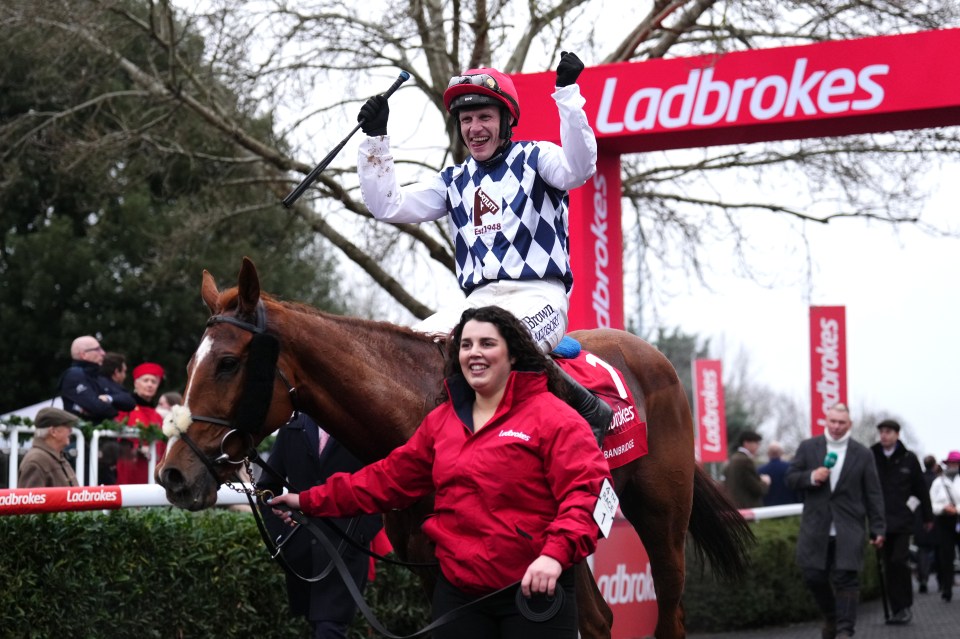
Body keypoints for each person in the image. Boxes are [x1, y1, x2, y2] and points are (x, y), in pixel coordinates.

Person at [271, 305, 612, 639]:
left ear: (514, 354)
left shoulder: (555, 418)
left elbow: (587, 492)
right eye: (466, 345)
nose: (474, 353)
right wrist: (308, 501)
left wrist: (554, 556)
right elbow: (387, 480)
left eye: (487, 344)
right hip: (459, 597)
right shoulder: (441, 422)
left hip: (535, 589)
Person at [354, 53, 612, 446]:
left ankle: (588, 407)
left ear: (507, 120)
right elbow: (387, 206)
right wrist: (375, 140)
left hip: (539, 295)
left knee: (500, 343)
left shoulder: (537, 157)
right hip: (477, 302)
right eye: (466, 119)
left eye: (485, 117)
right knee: (408, 353)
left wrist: (567, 94)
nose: (474, 128)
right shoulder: (454, 180)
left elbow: (580, 168)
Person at [258, 413, 383, 638]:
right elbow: (266, 488)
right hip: (301, 553)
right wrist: (282, 537)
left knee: (330, 628)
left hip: (345, 552)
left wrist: (360, 537)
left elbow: (381, 485)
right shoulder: (291, 428)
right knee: (319, 627)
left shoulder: (361, 427)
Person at [785, 403, 885, 639]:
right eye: (833, 421)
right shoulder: (809, 447)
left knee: (846, 579)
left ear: (849, 424)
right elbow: (790, 478)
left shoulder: (862, 453)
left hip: (849, 527)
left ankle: (844, 631)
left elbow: (873, 493)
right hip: (815, 526)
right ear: (825, 421)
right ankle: (832, 617)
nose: (837, 427)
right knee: (813, 576)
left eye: (842, 423)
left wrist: (878, 527)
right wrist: (811, 476)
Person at [870, 419, 933, 624]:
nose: (884, 436)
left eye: (888, 432)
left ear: (897, 434)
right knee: (888, 564)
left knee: (899, 561)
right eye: (881, 432)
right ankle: (895, 607)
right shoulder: (872, 455)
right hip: (879, 519)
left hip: (902, 520)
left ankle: (904, 605)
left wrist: (925, 515)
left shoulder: (908, 458)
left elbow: (920, 489)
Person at [59, 335, 135, 423]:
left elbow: (129, 401)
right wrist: (114, 409)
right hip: (84, 435)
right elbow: (98, 408)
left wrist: (109, 398)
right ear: (83, 354)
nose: (103, 353)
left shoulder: (98, 374)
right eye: (97, 349)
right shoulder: (73, 376)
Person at [116, 362, 166, 484]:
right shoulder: (125, 409)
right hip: (129, 466)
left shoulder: (158, 416)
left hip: (152, 467)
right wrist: (137, 447)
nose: (150, 385)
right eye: (146, 380)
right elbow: (117, 435)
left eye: (153, 382)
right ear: (136, 383)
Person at [18, 407, 79, 488]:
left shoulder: (58, 457)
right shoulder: (35, 461)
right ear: (53, 431)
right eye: (67, 426)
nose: (71, 430)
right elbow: (31, 499)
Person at [930, 450, 960, 603]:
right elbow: (932, 503)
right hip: (945, 521)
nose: (953, 465)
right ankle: (947, 588)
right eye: (951, 463)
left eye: (956, 463)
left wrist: (957, 509)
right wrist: (944, 508)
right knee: (946, 556)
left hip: (958, 519)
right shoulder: (938, 482)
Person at [723, 430, 770, 508]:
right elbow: (757, 489)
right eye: (756, 443)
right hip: (746, 508)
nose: (758, 446)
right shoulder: (745, 461)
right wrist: (765, 482)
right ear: (746, 443)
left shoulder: (733, 458)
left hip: (734, 507)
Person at [915, 454, 941, 594]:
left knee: (922, 552)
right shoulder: (937, 481)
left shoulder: (919, 480)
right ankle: (941, 580)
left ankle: (923, 579)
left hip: (920, 520)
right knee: (938, 551)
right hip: (936, 519)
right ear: (934, 465)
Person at [758, 441, 799, 506]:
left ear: (768, 453)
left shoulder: (760, 470)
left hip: (768, 508)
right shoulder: (791, 468)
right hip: (790, 507)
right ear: (781, 453)